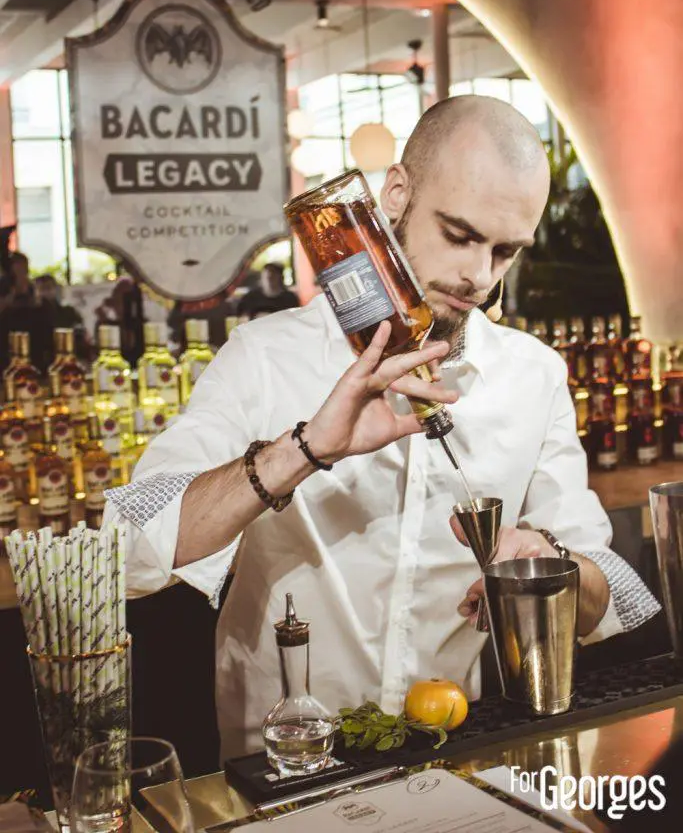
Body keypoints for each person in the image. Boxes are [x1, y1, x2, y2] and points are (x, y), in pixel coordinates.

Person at [104, 96, 660, 760]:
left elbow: (604, 590)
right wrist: (303, 450)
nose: (478, 276)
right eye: (458, 235)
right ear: (395, 194)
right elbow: (129, 553)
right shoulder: (264, 356)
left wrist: (548, 564)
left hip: (457, 752)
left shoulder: (532, 376)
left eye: (505, 251)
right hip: (282, 763)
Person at [235, 262, 299, 322]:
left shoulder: (289, 298)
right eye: (266, 274)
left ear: (281, 277)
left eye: (273, 274)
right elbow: (241, 319)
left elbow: (294, 320)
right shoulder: (250, 297)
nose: (269, 276)